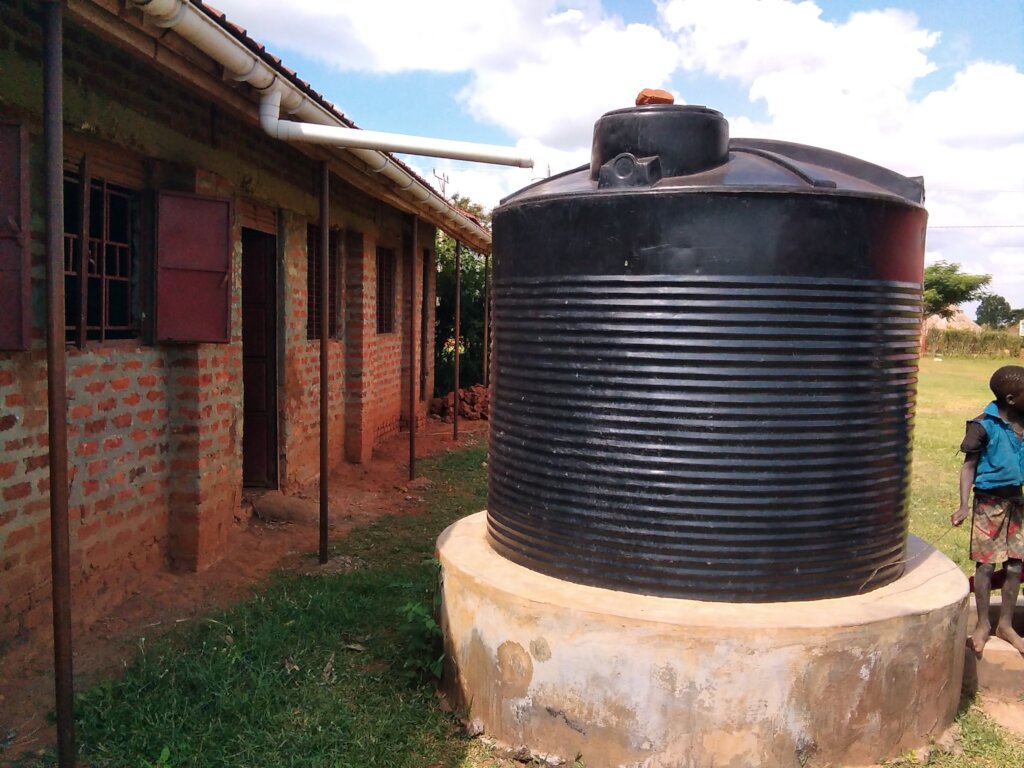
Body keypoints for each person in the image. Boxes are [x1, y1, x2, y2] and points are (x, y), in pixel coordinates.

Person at [951, 364, 1024, 659]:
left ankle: (1005, 625)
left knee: (1016, 565)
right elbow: (968, 467)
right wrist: (963, 505)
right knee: (985, 566)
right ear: (1010, 398)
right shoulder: (984, 425)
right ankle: (982, 624)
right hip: (987, 505)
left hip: (1017, 505)